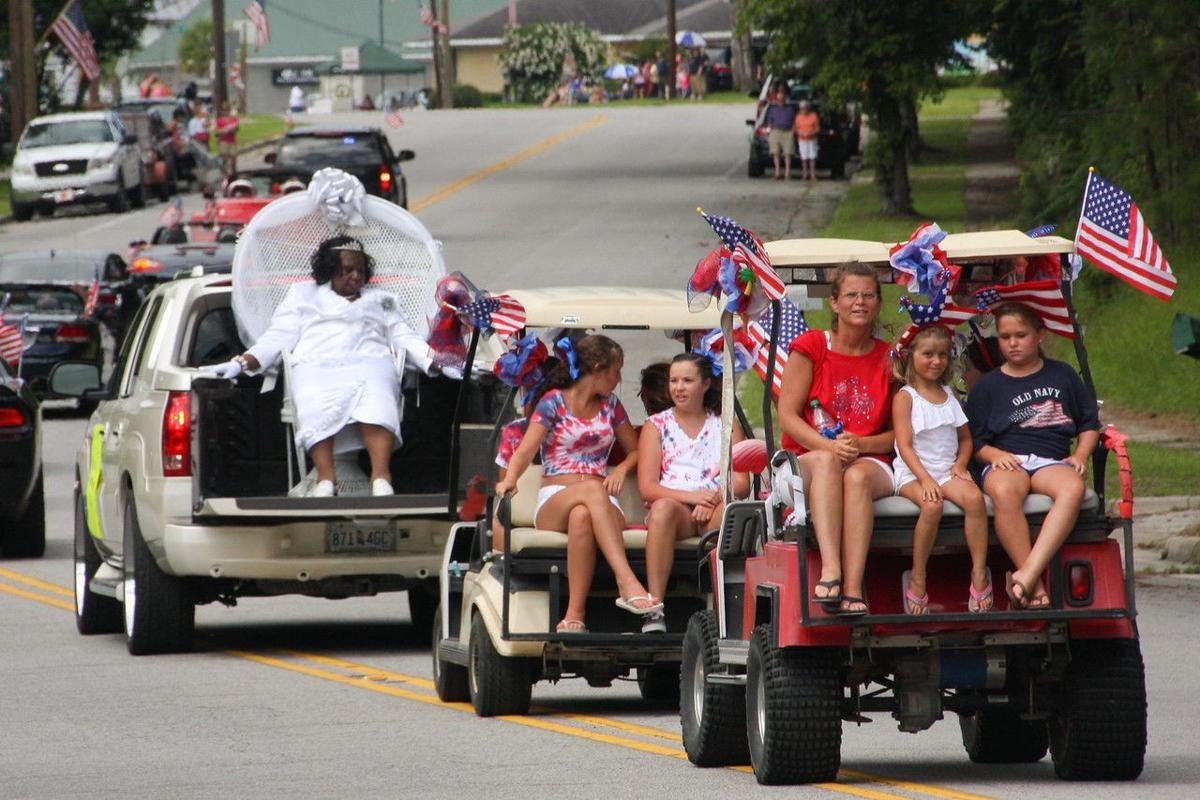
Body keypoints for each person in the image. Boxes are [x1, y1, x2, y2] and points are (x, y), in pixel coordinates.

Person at [204, 235, 439, 498]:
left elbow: (405, 337)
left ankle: (381, 477)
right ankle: (326, 479)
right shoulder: (303, 295)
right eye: (347, 269)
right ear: (329, 270)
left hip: (370, 360)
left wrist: (440, 361)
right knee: (313, 396)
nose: (355, 276)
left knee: (379, 396)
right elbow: (278, 336)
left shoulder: (383, 300)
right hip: (317, 364)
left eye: (360, 270)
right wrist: (241, 363)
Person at [496, 335, 659, 633]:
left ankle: (574, 614)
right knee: (591, 491)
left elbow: (636, 450)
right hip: (556, 497)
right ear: (598, 369)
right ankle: (627, 581)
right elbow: (525, 450)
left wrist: (622, 468)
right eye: (616, 371)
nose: (619, 379)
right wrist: (510, 478)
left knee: (582, 514)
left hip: (601, 501)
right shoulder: (553, 403)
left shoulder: (611, 406)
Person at [777, 263, 895, 615]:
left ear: (877, 302)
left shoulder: (890, 357)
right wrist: (829, 446)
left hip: (869, 459)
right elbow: (787, 415)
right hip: (810, 458)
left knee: (856, 477)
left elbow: (900, 435)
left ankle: (853, 588)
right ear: (834, 303)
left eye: (868, 295)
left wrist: (861, 445)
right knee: (830, 462)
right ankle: (831, 569)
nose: (860, 302)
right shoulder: (812, 347)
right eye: (851, 295)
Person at [967, 303, 1100, 610]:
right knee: (1004, 490)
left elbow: (1089, 424)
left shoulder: (1062, 374)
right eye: (1004, 337)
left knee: (1073, 488)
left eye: (1021, 335)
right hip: (1007, 459)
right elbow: (974, 442)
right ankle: (1034, 583)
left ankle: (1026, 574)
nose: (1012, 343)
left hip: (1051, 459)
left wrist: (1080, 454)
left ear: (1040, 335)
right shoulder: (988, 387)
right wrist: (995, 454)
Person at [639, 354, 749, 633]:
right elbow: (648, 487)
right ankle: (655, 607)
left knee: (730, 511)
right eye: (674, 381)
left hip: (713, 507)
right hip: (676, 508)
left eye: (687, 381)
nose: (678, 388)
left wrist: (711, 497)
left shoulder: (725, 424)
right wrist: (693, 498)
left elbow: (741, 480)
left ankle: (727, 610)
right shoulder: (656, 425)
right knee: (662, 509)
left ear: (705, 384)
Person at [892, 326, 991, 615]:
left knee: (975, 500)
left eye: (942, 355)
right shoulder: (906, 397)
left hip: (947, 470)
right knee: (932, 505)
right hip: (914, 473)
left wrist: (960, 464)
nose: (936, 361)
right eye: (928, 354)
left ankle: (979, 572)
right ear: (911, 357)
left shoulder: (948, 394)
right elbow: (905, 445)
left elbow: (965, 438)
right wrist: (924, 479)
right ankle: (919, 574)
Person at [764, 84, 797, 180]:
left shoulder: (790, 109)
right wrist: (770, 130)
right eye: (779, 99)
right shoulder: (772, 109)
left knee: (787, 153)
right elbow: (769, 121)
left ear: (785, 99)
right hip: (776, 131)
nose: (780, 101)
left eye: (782, 99)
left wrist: (793, 130)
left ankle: (787, 173)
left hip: (788, 132)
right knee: (775, 153)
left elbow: (794, 121)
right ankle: (777, 172)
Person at [794, 100, 820, 181]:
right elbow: (796, 128)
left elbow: (817, 128)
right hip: (802, 139)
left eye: (805, 108)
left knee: (812, 157)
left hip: (812, 139)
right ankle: (805, 174)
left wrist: (811, 133)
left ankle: (812, 174)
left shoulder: (814, 116)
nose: (803, 110)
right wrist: (800, 133)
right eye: (802, 108)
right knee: (804, 157)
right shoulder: (798, 117)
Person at [214, 101, 239, 176]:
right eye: (224, 110)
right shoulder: (220, 120)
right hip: (223, 141)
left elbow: (236, 128)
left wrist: (232, 129)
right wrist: (224, 130)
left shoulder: (233, 119)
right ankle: (225, 175)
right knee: (224, 159)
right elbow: (216, 132)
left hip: (232, 141)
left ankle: (234, 173)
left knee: (233, 158)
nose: (226, 111)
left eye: (227, 110)